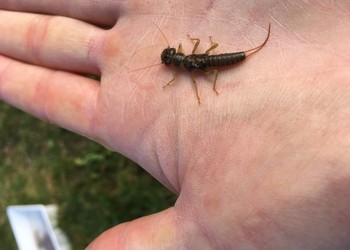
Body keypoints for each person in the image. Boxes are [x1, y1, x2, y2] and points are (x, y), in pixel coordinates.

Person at [1, 1, 350, 249]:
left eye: (170, 58)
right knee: (210, 67)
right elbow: (195, 62)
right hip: (212, 58)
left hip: (218, 61)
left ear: (175, 59)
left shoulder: (185, 68)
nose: (169, 60)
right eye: (170, 58)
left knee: (211, 69)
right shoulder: (186, 64)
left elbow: (198, 72)